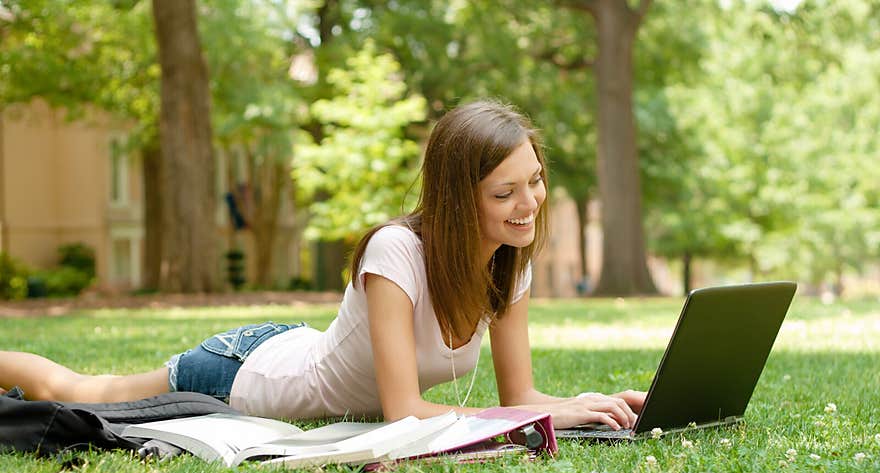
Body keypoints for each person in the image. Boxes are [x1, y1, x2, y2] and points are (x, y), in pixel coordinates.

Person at [0, 99, 644, 430]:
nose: (528, 205)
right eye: (504, 193)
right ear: (455, 199)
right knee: (78, 393)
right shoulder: (397, 252)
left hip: (294, 348)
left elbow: (520, 397)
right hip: (241, 375)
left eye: (534, 182)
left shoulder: (509, 261)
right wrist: (532, 419)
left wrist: (585, 406)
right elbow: (405, 412)